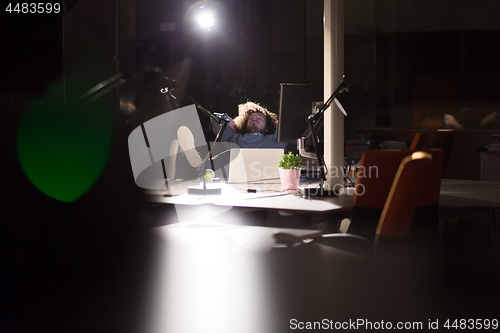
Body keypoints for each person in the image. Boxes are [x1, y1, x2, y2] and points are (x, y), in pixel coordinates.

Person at [211, 101, 289, 150]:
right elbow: (214, 118)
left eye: (260, 118)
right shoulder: (234, 138)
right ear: (245, 126)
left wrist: (278, 125)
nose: (255, 118)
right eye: (251, 117)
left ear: (266, 128)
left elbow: (287, 123)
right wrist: (229, 122)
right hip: (238, 174)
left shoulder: (274, 140)